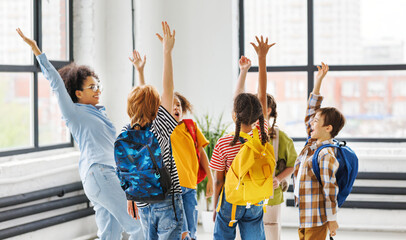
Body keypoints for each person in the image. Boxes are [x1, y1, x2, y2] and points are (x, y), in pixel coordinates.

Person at [16, 29, 144, 240]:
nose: (97, 90)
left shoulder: (98, 114)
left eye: (98, 86)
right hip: (100, 174)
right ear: (78, 93)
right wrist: (37, 51)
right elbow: (56, 84)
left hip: (103, 177)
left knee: (109, 234)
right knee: (138, 225)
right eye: (91, 87)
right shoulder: (74, 114)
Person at [129, 48, 214, 240]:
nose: (175, 107)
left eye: (179, 105)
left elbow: (201, 153)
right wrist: (164, 53)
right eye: (171, 104)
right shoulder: (162, 126)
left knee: (188, 230)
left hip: (184, 187)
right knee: (178, 232)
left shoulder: (188, 127)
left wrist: (210, 178)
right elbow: (151, 98)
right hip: (170, 191)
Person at [209, 36, 275, 240]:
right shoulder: (262, 134)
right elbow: (262, 94)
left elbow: (218, 181)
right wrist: (262, 59)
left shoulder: (224, 143)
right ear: (259, 115)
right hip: (255, 199)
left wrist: (214, 207)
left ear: (234, 115)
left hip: (231, 200)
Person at [124, 21, 185, 240]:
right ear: (156, 108)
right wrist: (167, 52)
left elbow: (144, 103)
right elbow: (168, 88)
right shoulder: (160, 128)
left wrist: (140, 72)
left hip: (142, 201)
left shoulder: (128, 133)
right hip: (166, 200)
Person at [234, 56, 297, 240]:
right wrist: (244, 71)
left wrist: (278, 178)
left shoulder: (281, 137)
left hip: (271, 195)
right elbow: (238, 100)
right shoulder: (243, 133)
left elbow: (292, 164)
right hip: (246, 195)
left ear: (267, 111)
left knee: (270, 232)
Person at [293, 62, 345, 240]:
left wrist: (332, 219)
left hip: (316, 218)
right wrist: (318, 81)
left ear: (328, 128)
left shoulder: (325, 154)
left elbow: (331, 188)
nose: (310, 123)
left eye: (316, 121)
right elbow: (310, 112)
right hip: (305, 215)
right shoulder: (313, 145)